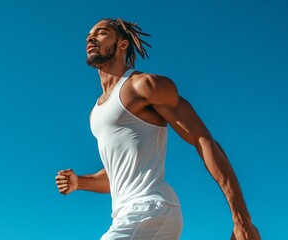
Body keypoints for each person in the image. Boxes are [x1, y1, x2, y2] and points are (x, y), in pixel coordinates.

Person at [55, 18, 261, 240]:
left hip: (151, 208)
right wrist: (80, 182)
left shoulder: (144, 85)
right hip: (126, 214)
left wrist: (241, 218)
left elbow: (203, 139)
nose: (91, 38)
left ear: (122, 44)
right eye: (88, 35)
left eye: (101, 33)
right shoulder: (96, 113)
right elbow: (119, 174)